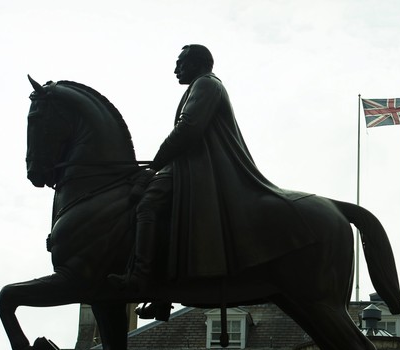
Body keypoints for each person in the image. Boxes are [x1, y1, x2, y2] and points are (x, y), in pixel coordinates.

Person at [108, 44, 314, 320]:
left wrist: (154, 166)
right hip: (191, 166)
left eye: (181, 63)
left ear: (196, 63)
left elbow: (187, 129)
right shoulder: (201, 86)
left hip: (199, 169)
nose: (176, 69)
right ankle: (162, 292)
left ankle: (140, 278)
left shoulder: (206, 84)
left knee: (148, 204)